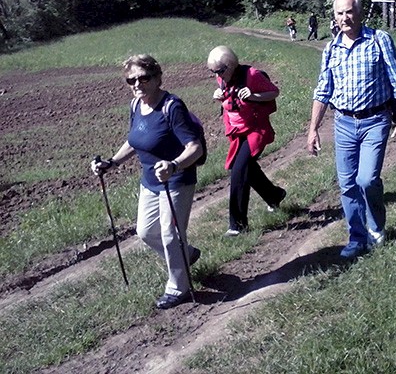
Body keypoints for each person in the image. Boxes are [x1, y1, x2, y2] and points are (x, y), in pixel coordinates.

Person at [91, 54, 203, 309]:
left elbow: (194, 148)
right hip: (150, 182)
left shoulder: (172, 106)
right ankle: (187, 255)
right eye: (131, 80)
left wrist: (174, 165)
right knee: (145, 232)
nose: (137, 84)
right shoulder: (135, 105)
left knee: (170, 235)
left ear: (158, 78)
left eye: (143, 78)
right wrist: (112, 162)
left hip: (176, 180)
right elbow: (134, 140)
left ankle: (178, 287)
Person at [307, 0, 396, 259]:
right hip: (343, 123)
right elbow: (323, 91)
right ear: (334, 17)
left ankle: (376, 229)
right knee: (347, 184)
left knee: (367, 180)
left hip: (375, 120)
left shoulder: (379, 40)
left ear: (360, 13)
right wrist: (313, 128)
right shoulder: (331, 49)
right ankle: (356, 237)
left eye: (349, 12)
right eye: (340, 13)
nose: (345, 18)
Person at [208, 45, 287, 236]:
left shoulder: (252, 75)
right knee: (246, 168)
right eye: (213, 72)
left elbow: (274, 92)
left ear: (229, 65)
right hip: (237, 131)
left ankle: (237, 226)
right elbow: (230, 99)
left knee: (239, 171)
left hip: (255, 130)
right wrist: (219, 96)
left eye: (219, 71)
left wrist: (253, 95)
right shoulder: (222, 78)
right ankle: (274, 195)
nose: (216, 75)